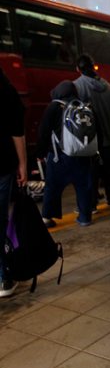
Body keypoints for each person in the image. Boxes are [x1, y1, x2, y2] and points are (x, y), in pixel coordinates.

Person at [36, 80, 93, 228]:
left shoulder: (54, 106)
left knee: (53, 186)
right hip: (82, 154)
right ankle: (85, 217)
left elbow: (43, 132)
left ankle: (47, 217)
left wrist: (40, 152)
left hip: (59, 155)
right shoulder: (83, 106)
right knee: (82, 186)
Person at [74, 54, 110, 209]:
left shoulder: (77, 87)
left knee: (90, 173)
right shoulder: (109, 87)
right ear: (93, 66)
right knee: (109, 171)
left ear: (78, 69)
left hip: (90, 140)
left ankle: (92, 205)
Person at [0, 68, 27, 297]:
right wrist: (22, 164)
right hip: (2, 164)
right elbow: (17, 131)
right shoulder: (6, 90)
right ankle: (4, 278)